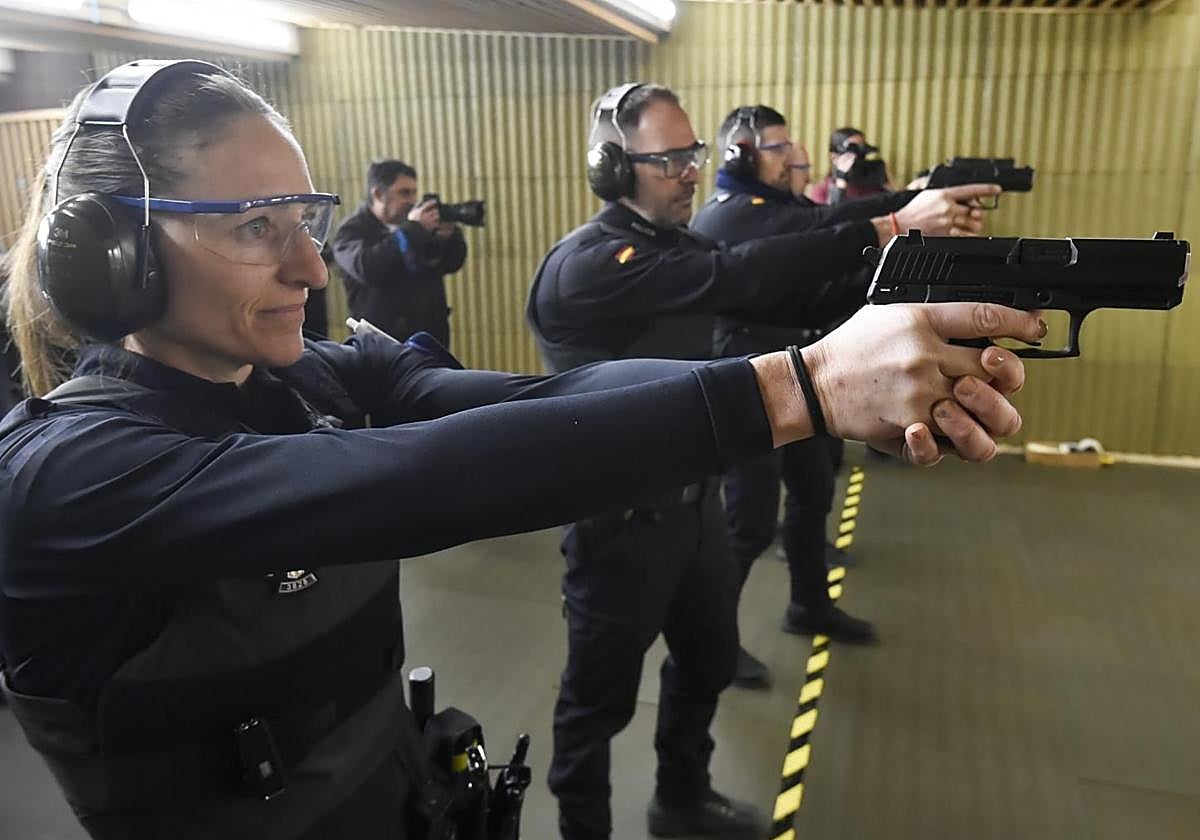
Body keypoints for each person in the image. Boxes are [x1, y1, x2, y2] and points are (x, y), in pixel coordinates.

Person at [0, 61, 1039, 840]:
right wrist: (798, 386)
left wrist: (810, 392)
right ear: (114, 255)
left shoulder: (316, 378)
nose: (313, 268)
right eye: (254, 228)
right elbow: (424, 481)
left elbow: (538, 406)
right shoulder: (67, 477)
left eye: (303, 220)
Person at [525, 84, 1004, 839]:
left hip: (695, 508)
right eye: (669, 159)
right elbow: (738, 275)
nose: (690, 170)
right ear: (613, 168)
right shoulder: (589, 264)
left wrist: (905, 223)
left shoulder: (677, 245)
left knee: (708, 662)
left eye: (692, 154)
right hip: (618, 526)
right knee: (595, 706)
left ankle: (680, 799)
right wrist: (889, 223)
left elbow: (785, 252)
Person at [692, 105, 993, 686]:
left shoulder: (778, 207)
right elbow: (819, 231)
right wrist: (905, 210)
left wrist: (914, 221)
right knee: (748, 523)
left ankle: (808, 604)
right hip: (746, 370)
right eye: (779, 148)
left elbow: (827, 235)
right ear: (741, 153)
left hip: (799, 366)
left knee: (812, 494)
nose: (791, 158)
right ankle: (712, 648)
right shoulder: (728, 212)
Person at [331, 159, 467, 348]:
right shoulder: (352, 231)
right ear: (378, 194)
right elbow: (367, 268)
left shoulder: (419, 227)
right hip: (381, 346)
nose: (412, 200)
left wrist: (450, 237)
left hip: (430, 340)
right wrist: (412, 230)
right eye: (404, 193)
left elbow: (452, 263)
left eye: (414, 192)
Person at [810, 126, 893, 205]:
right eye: (851, 152)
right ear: (834, 157)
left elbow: (895, 207)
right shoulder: (822, 190)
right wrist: (841, 182)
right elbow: (832, 213)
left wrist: (887, 182)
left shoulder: (875, 186)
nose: (857, 159)